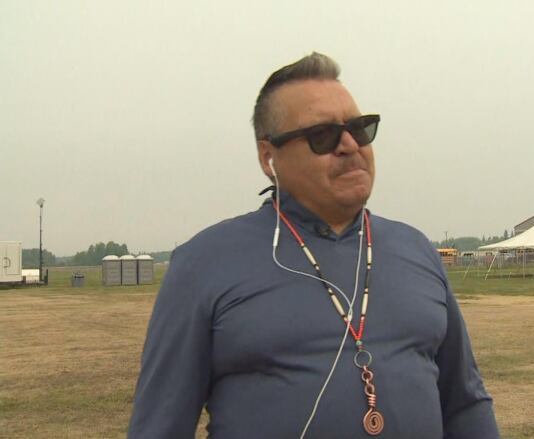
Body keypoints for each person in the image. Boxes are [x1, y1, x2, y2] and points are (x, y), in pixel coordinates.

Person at [128, 52, 499, 439]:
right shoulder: (204, 264)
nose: (349, 145)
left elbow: (465, 402)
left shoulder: (417, 251)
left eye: (360, 128)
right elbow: (159, 425)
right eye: (322, 135)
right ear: (269, 156)